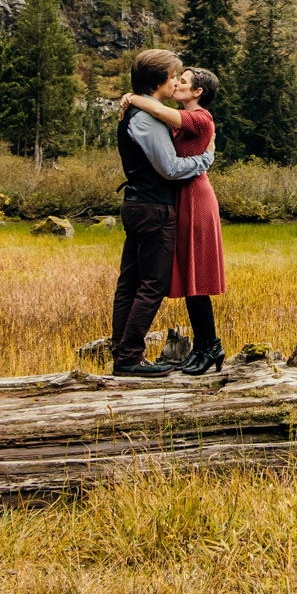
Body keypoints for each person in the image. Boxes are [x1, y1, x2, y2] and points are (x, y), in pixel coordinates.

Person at [109, 49, 213, 376]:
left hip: (138, 204)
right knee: (152, 284)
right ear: (159, 82)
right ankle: (129, 357)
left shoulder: (140, 112)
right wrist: (205, 160)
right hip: (153, 208)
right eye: (173, 77)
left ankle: (122, 352)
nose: (175, 82)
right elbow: (169, 168)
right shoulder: (146, 118)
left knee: (129, 282)